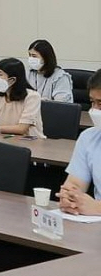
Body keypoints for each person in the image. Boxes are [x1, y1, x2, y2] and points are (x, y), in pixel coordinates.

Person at [58, 69, 101, 215]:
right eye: (92, 102)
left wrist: (98, 208)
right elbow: (75, 184)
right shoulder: (89, 137)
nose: (95, 110)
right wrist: (69, 198)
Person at [0, 58, 44, 137]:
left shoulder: (32, 97)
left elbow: (21, 129)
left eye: (0, 75)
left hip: (29, 141)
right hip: (2, 138)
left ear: (12, 80)